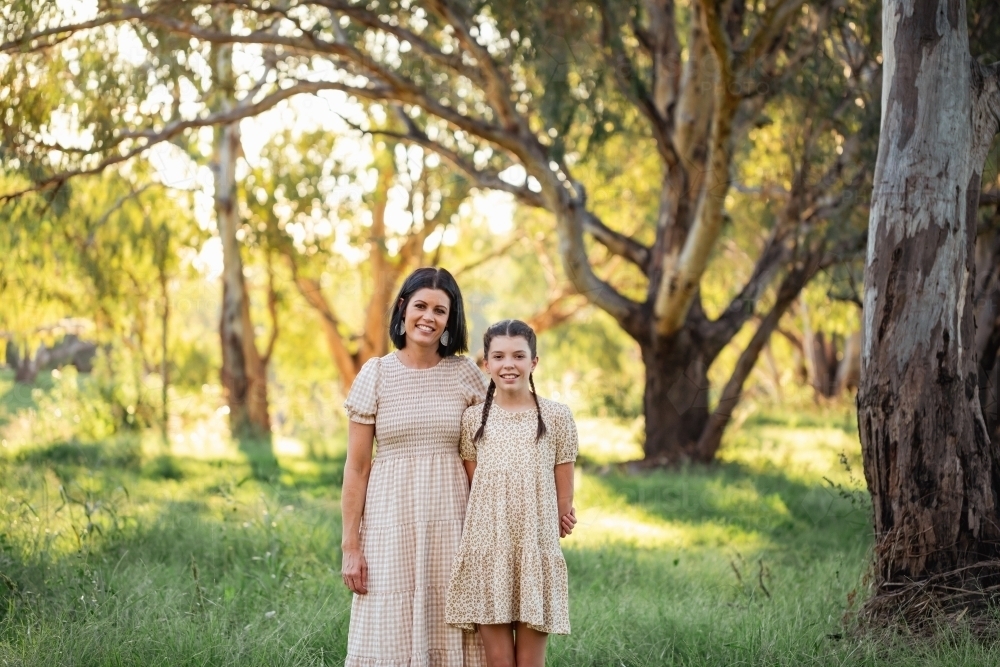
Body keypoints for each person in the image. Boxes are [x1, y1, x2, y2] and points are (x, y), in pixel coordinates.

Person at [340, 267, 488, 667]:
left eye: (440, 310)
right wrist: (350, 546)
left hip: (452, 520)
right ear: (403, 308)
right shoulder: (376, 373)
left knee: (453, 620)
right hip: (390, 521)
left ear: (450, 319)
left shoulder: (466, 375)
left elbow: (486, 458)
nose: (429, 317)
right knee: (390, 618)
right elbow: (356, 468)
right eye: (420, 305)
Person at [445, 319, 578, 667]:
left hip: (535, 548)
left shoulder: (557, 416)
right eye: (499, 356)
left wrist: (563, 516)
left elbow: (564, 484)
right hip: (489, 550)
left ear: (533, 362)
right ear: (486, 363)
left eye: (519, 356)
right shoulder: (474, 420)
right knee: (499, 659)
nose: (509, 365)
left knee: (530, 661)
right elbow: (475, 486)